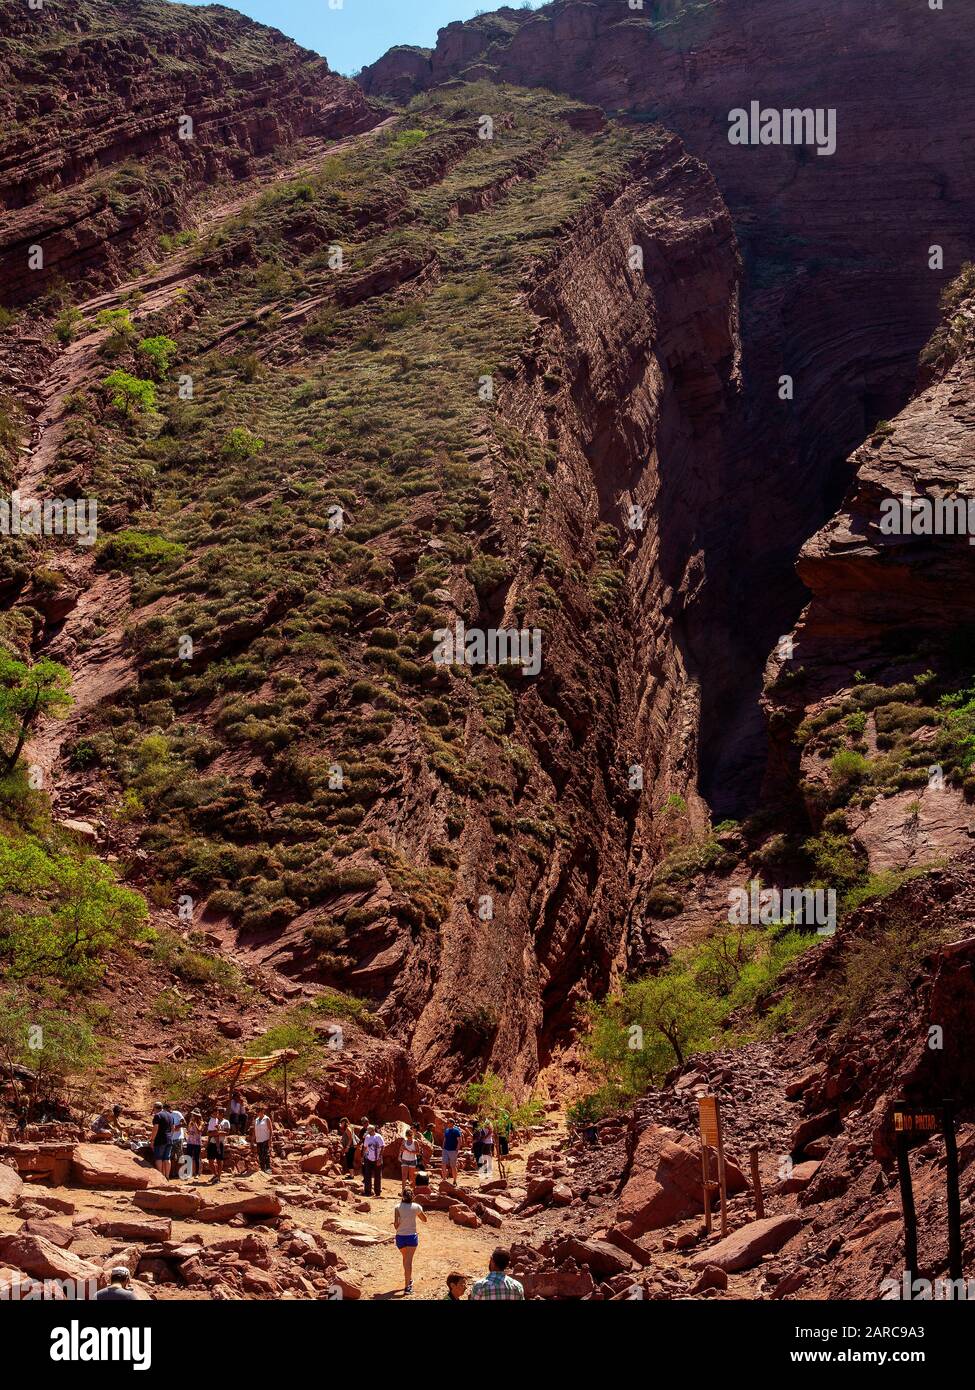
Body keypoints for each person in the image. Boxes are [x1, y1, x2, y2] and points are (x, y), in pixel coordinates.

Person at [393, 1185, 427, 1295]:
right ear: (412, 1196)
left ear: (402, 1196)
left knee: (405, 1259)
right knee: (408, 1261)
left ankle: (409, 1279)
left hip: (400, 1237)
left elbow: (396, 1225)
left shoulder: (397, 1207)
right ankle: (407, 1287)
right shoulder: (416, 1207)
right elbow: (424, 1219)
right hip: (411, 1237)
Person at [206, 1105, 230, 1182]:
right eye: (216, 1113)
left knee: (219, 1160)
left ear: (222, 1114)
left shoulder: (225, 1122)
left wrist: (217, 1132)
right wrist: (215, 1133)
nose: (217, 1114)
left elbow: (227, 1132)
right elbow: (208, 1133)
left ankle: (218, 1177)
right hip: (212, 1142)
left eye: (218, 1113)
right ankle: (215, 1175)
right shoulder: (213, 1120)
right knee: (210, 1161)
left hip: (220, 1142)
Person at [151, 1101, 174, 1178]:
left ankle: (160, 1177)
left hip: (160, 1139)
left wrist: (152, 1140)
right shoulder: (170, 1115)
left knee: (159, 1158)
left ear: (155, 1108)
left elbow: (155, 1128)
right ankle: (167, 1177)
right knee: (167, 1159)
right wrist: (170, 1136)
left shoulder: (157, 1115)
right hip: (169, 1139)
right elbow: (173, 1128)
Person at [362, 1124, 384, 1197]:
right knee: (367, 1175)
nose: (368, 1131)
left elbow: (382, 1146)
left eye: (369, 1130)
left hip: (377, 1158)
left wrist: (380, 1158)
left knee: (377, 1176)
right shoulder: (367, 1137)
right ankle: (367, 1191)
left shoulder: (378, 1137)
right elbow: (365, 1147)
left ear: (372, 1130)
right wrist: (363, 1156)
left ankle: (377, 1191)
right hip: (368, 1159)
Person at [252, 1107, 273, 1173]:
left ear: (262, 1111)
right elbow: (254, 1131)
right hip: (258, 1140)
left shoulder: (266, 1119)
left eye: (258, 1111)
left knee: (266, 1154)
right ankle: (262, 1168)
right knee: (260, 1154)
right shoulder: (256, 1120)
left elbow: (271, 1130)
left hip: (265, 1139)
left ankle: (268, 1168)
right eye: (257, 1111)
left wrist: (270, 1139)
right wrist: (252, 1140)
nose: (257, 1113)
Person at [399, 1126, 419, 1195]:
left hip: (412, 1160)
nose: (409, 1137)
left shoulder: (415, 1142)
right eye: (408, 1136)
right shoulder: (404, 1141)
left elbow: (418, 1152)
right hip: (405, 1159)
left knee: (411, 1177)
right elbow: (401, 1149)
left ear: (412, 1135)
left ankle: (412, 1191)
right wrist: (400, 1154)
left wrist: (408, 1150)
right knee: (404, 1176)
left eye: (410, 1136)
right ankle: (403, 1191)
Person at [168, 1104, 185, 1180]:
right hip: (170, 1138)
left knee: (180, 1156)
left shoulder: (177, 1113)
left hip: (178, 1138)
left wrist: (176, 1127)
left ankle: (181, 1173)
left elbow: (184, 1123)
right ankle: (173, 1173)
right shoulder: (165, 1115)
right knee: (171, 1157)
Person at [185, 1110, 203, 1178]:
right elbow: (188, 1131)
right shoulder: (190, 1122)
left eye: (193, 1115)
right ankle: (188, 1173)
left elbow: (199, 1131)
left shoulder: (201, 1123)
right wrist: (189, 1132)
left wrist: (195, 1124)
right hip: (190, 1142)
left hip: (197, 1142)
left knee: (196, 1157)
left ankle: (197, 1173)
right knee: (189, 1157)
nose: (192, 1116)